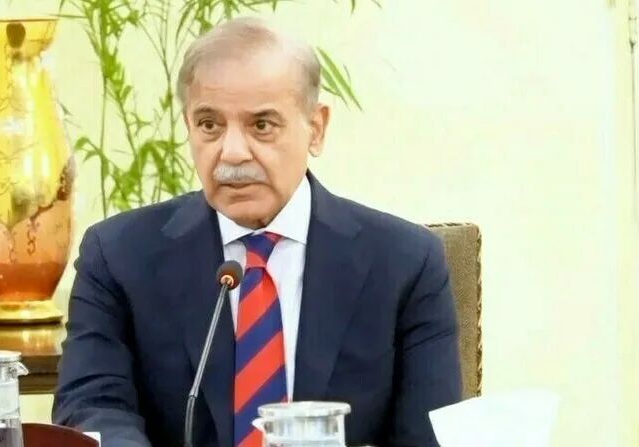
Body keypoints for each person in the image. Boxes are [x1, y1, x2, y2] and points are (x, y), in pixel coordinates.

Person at [52, 17, 462, 447]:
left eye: (261, 125)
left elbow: (427, 434)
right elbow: (92, 407)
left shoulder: (405, 263)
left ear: (316, 127)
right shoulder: (118, 255)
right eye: (209, 124)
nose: (232, 152)